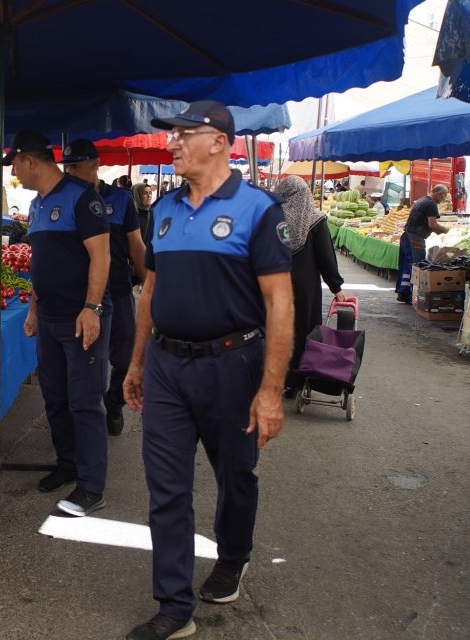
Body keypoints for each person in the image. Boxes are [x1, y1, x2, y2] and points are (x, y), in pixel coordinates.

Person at [123, 101, 294, 640]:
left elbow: (280, 305)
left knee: (235, 475)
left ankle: (233, 556)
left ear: (219, 141)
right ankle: (174, 607)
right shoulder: (165, 209)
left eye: (183, 135)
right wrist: (136, 360)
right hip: (168, 366)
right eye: (170, 135)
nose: (171, 143)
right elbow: (151, 289)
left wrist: (270, 391)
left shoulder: (258, 209)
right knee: (166, 488)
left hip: (232, 364)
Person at [9, 129, 112, 517]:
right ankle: (67, 464)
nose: (15, 173)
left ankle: (91, 485)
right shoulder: (36, 206)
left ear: (31, 161)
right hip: (49, 317)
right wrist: (34, 309)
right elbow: (43, 265)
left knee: (85, 402)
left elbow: (100, 257)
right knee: (54, 397)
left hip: (80, 317)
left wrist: (92, 308)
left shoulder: (84, 199)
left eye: (16, 164)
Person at [62, 139, 147, 437]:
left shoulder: (122, 200)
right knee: (85, 362)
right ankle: (86, 416)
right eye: (66, 166)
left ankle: (113, 403)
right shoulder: (66, 199)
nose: (69, 171)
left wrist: (149, 286)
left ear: (95, 165)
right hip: (81, 296)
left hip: (119, 291)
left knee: (124, 358)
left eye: (75, 165)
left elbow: (136, 248)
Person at [274, 176, 346, 397]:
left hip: (273, 282)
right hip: (304, 288)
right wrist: (337, 287)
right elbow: (326, 258)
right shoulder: (314, 220)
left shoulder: (271, 219)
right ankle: (294, 382)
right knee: (302, 330)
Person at [395, 185, 449, 303]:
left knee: (407, 265)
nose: (442, 200)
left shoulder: (421, 200)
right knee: (416, 267)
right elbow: (433, 225)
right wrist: (445, 230)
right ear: (439, 194)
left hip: (407, 236)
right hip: (416, 238)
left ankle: (402, 293)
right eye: (443, 197)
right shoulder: (431, 204)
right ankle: (411, 296)